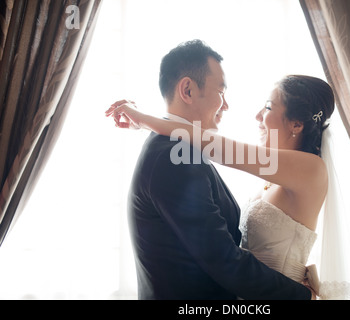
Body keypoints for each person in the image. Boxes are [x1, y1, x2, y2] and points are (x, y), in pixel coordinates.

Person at [106, 40, 315, 300]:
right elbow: (222, 258)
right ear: (188, 90)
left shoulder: (176, 147)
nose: (226, 105)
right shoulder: (174, 157)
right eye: (221, 91)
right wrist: (299, 296)